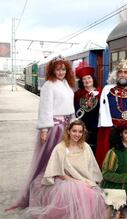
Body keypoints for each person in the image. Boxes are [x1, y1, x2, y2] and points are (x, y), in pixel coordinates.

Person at [6, 55, 75, 210]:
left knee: (64, 161)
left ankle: (58, 192)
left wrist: (73, 124)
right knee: (48, 160)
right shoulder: (49, 85)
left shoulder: (66, 84)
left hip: (67, 127)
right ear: (52, 70)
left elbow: (70, 108)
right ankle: (41, 193)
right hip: (55, 128)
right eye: (58, 69)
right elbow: (44, 109)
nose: (61, 72)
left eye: (63, 69)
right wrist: (44, 130)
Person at [20, 120, 106, 219]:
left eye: (80, 132)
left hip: (81, 178)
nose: (77, 134)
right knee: (80, 193)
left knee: (93, 195)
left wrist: (88, 181)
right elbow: (58, 172)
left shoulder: (85, 147)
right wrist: (78, 182)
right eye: (74, 131)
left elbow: (90, 168)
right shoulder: (60, 147)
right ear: (68, 131)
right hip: (64, 180)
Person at [74, 61, 101, 154]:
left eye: (89, 78)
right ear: (81, 81)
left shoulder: (101, 92)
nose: (87, 80)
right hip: (81, 129)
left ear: (93, 79)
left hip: (97, 128)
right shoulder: (77, 94)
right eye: (84, 79)